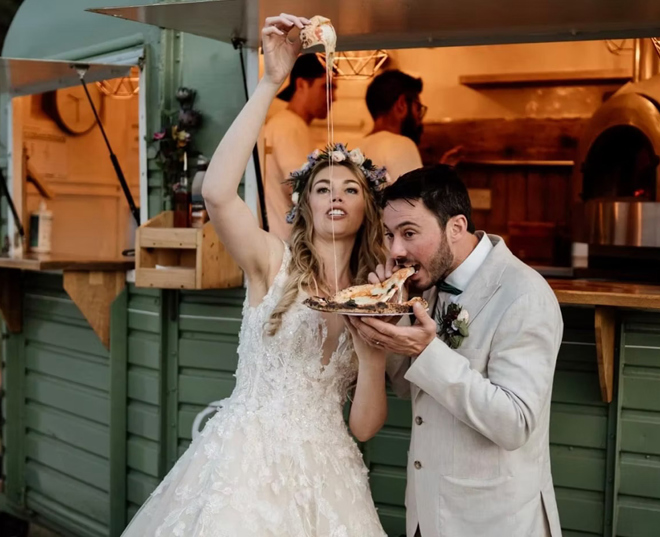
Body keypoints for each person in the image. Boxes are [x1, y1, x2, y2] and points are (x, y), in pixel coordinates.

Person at [120, 14, 389, 537]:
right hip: (246, 465)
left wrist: (374, 356)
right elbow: (218, 194)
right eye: (323, 187)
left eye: (351, 189)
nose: (337, 194)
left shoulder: (376, 293)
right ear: (305, 205)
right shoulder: (272, 261)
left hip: (329, 475)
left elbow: (363, 427)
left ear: (367, 210)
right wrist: (271, 83)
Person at [348, 165, 564, 537]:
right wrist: (390, 319)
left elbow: (514, 424)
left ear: (457, 227)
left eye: (409, 233)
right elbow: (407, 387)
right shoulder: (426, 284)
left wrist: (429, 351)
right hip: (426, 513)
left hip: (491, 521)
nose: (396, 250)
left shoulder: (524, 295)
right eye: (390, 234)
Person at [263, 52, 336, 240]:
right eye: (326, 87)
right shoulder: (289, 125)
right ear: (302, 84)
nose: (333, 97)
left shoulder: (292, 125)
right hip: (286, 243)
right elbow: (297, 187)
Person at [357, 70, 462, 184]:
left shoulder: (354, 148)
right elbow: (417, 201)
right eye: (418, 108)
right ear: (401, 104)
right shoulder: (400, 144)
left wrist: (441, 172)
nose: (419, 118)